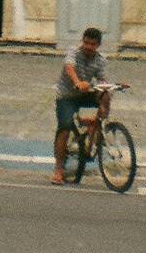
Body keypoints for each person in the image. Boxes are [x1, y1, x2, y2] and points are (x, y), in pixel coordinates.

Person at [52, 26, 109, 185]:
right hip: (67, 95)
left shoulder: (101, 59)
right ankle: (58, 169)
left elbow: (102, 79)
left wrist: (107, 87)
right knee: (65, 126)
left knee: (106, 94)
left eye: (92, 44)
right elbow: (69, 67)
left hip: (85, 94)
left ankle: (99, 126)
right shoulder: (73, 52)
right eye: (86, 43)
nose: (88, 47)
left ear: (98, 45)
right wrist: (77, 82)